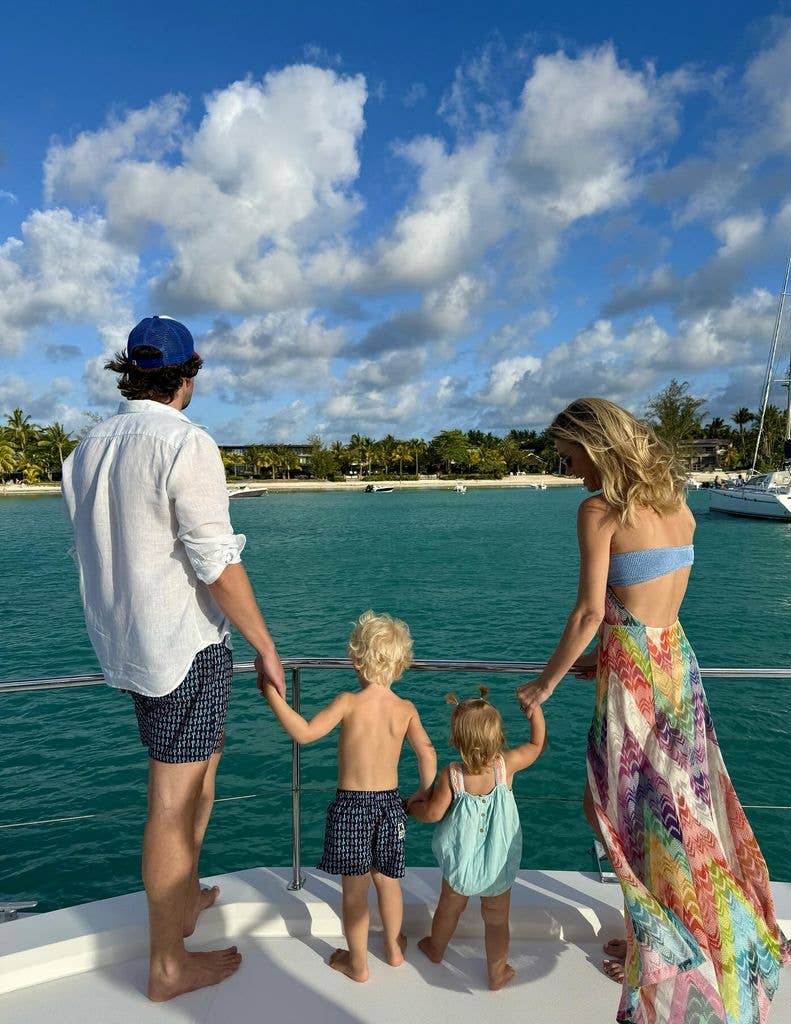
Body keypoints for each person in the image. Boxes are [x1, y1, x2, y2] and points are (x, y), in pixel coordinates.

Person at [516, 398, 791, 1024]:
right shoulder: (678, 507)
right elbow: (654, 605)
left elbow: (589, 613)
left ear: (595, 446)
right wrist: (612, 652)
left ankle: (663, 951)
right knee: (681, 812)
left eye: (570, 457)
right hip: (675, 664)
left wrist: (544, 684)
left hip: (636, 685)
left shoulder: (600, 512)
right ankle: (660, 937)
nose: (569, 470)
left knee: (628, 815)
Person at [62, 316, 286, 1002]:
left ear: (130, 375)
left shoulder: (86, 449)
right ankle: (167, 965)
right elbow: (216, 562)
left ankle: (184, 898)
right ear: (187, 378)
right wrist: (266, 645)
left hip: (130, 644)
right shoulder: (186, 443)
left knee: (202, 771)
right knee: (171, 801)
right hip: (184, 646)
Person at [258, 609, 437, 983]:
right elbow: (427, 753)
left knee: (355, 891)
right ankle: (393, 949)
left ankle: (358, 963)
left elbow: (305, 733)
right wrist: (422, 792)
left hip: (351, 807)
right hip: (390, 805)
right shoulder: (405, 710)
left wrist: (271, 695)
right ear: (400, 665)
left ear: (357, 659)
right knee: (388, 882)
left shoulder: (347, 702)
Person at [409, 686, 546, 991]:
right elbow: (536, 744)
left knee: (448, 909)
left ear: (456, 740)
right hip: (497, 866)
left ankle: (435, 949)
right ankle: (496, 975)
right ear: (498, 737)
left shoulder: (452, 775)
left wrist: (412, 807)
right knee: (496, 921)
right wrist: (534, 709)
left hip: (462, 865)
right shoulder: (506, 766)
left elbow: (433, 813)